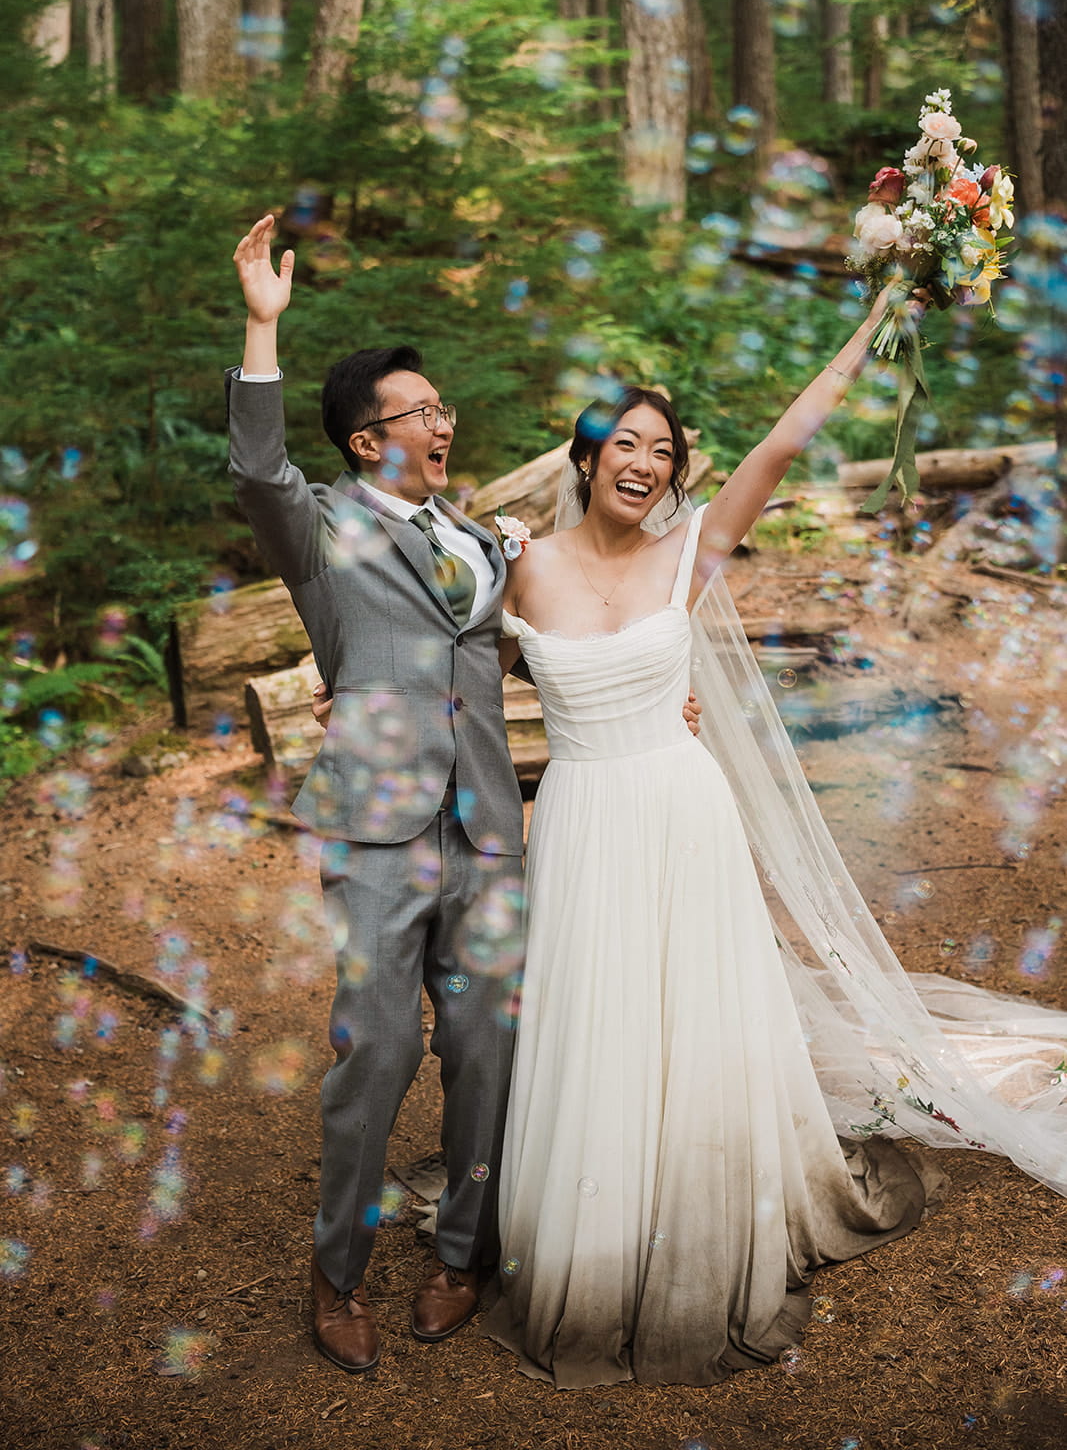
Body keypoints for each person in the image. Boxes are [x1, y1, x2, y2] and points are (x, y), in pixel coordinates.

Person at [479, 284, 1067, 1388]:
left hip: (679, 816)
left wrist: (879, 306)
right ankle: (595, 1224)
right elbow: (426, 637)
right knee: (598, 1018)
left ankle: (707, 1200)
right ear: (585, 452)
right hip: (581, 821)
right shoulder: (517, 563)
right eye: (623, 442)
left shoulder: (688, 552)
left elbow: (791, 437)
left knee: (692, 1019)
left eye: (661, 448)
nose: (642, 461)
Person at [228, 213, 702, 1374]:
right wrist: (260, 326)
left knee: (489, 1047)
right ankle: (335, 1271)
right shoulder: (321, 529)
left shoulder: (488, 543)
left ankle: (461, 1252)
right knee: (378, 1047)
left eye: (443, 410)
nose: (443, 423)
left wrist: (657, 698)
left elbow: (559, 635)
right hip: (379, 832)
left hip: (490, 828)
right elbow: (255, 465)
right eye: (420, 411)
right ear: (361, 438)